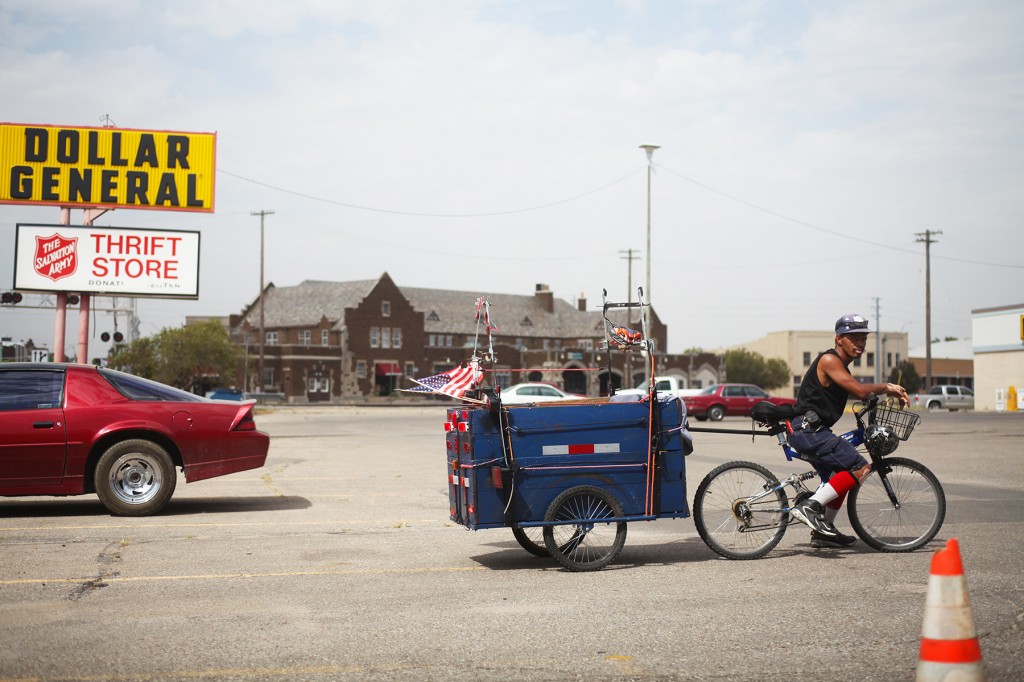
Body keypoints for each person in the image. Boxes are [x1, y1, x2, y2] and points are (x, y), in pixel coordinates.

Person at [788, 313, 909, 548]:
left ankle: (824, 532)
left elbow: (857, 391)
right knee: (860, 468)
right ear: (839, 339)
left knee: (842, 475)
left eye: (863, 338)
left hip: (810, 430)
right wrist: (888, 387)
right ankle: (810, 506)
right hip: (808, 431)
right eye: (854, 338)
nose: (860, 343)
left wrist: (871, 398)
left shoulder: (841, 366)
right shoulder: (829, 360)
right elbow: (860, 390)